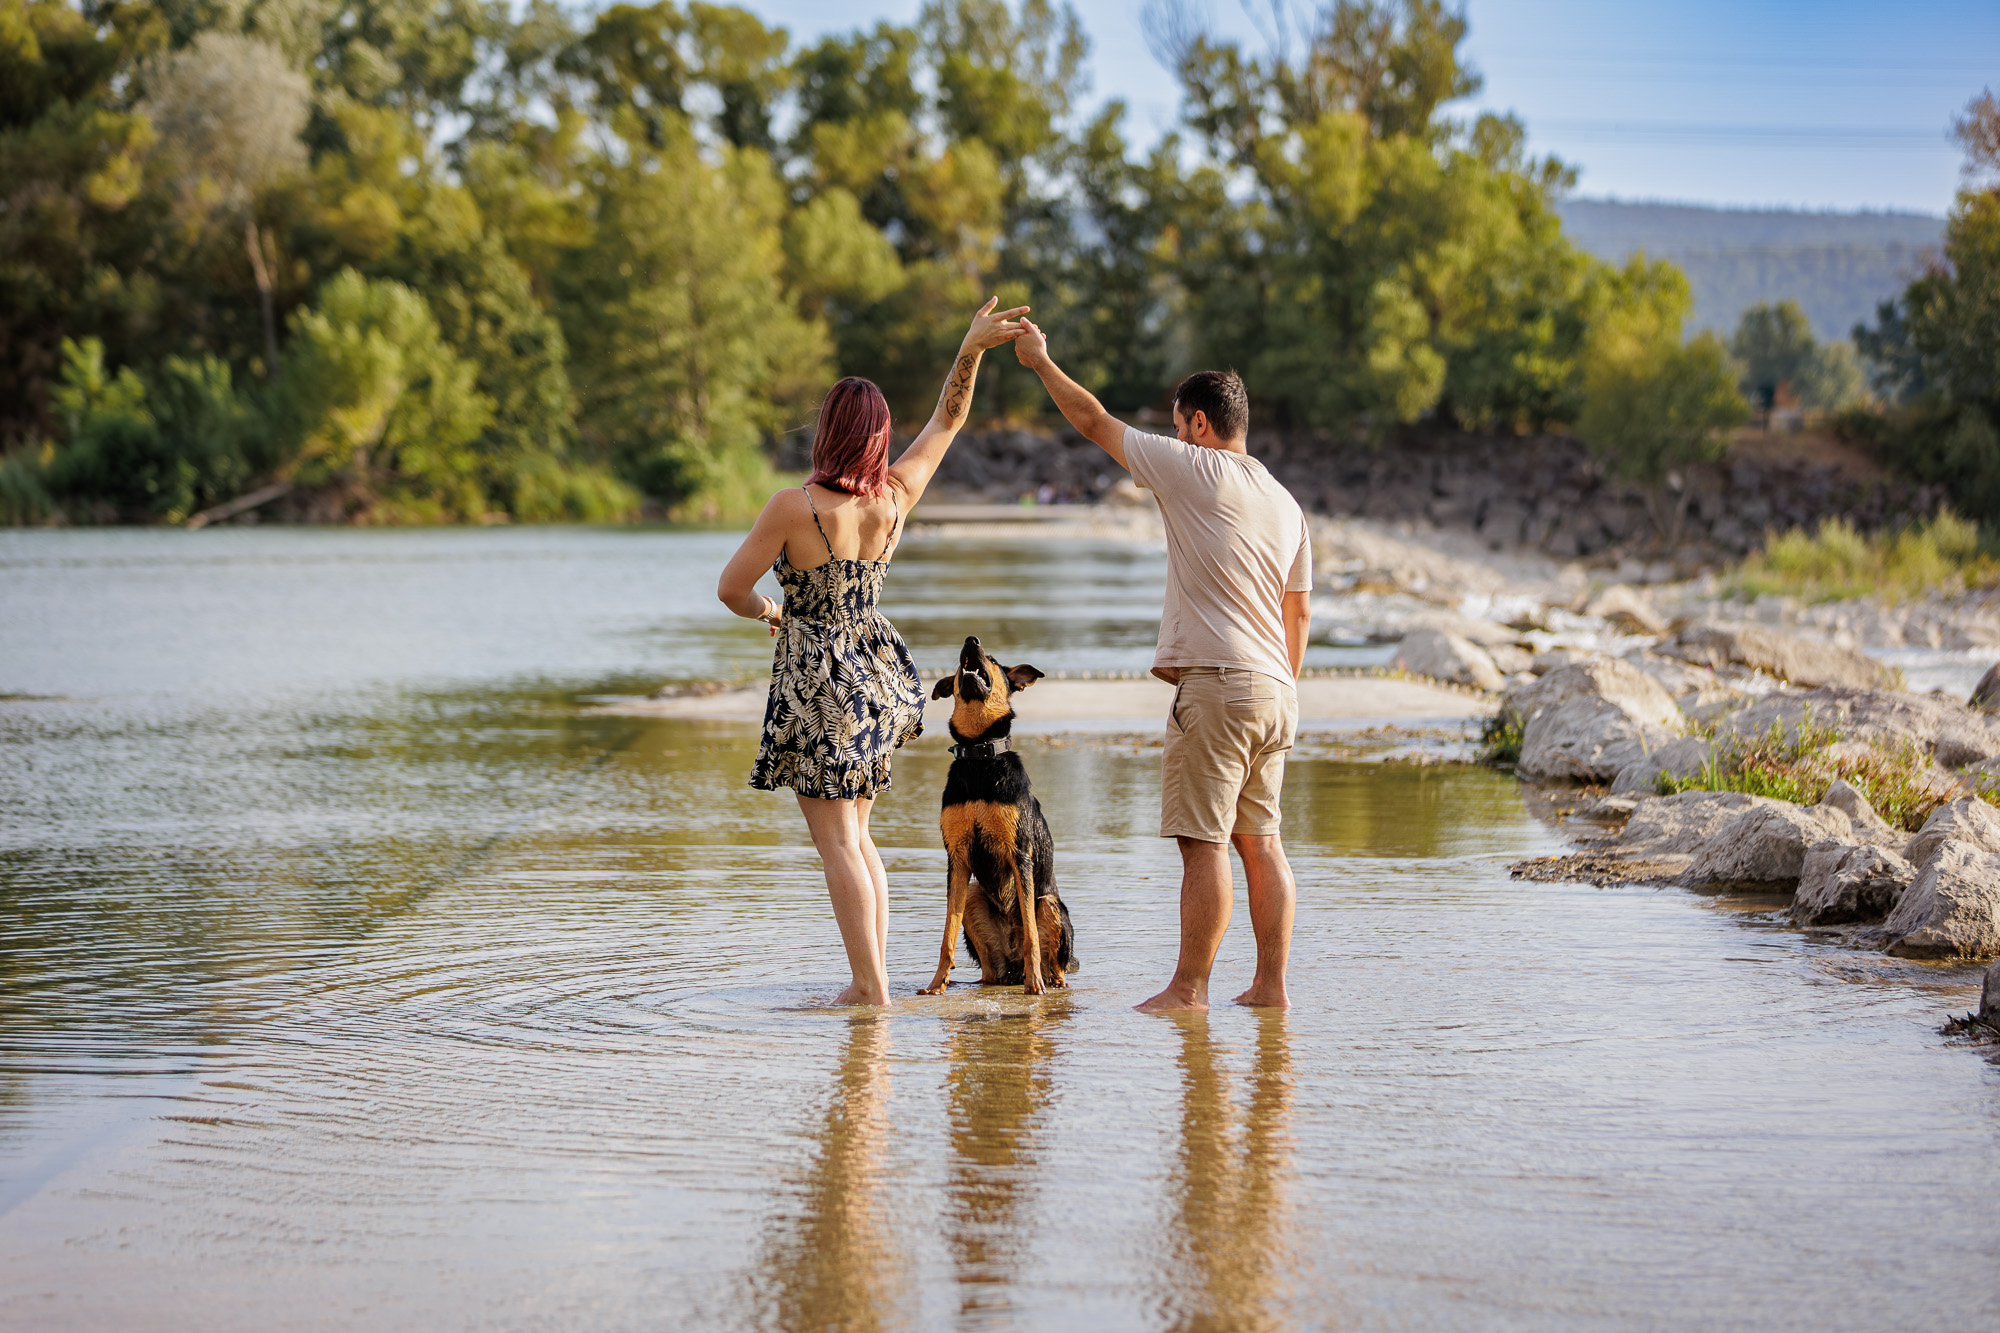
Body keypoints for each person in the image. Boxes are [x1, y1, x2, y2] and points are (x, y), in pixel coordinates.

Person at [717, 299, 1029, 1006]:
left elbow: (731, 589)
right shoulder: (894, 498)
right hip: (877, 681)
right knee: (859, 838)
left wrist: (773, 609)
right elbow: (948, 419)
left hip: (817, 686)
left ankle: (869, 987)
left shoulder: (792, 508)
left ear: (827, 432)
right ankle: (877, 980)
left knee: (837, 845)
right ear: (880, 439)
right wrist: (971, 347)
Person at [1013, 321, 1311, 1011]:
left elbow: (1092, 420)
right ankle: (1271, 988)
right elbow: (1297, 615)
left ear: (1199, 424)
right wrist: (1280, 685)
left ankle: (1189, 989)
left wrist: (1041, 363)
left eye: (1180, 426)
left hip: (1219, 684)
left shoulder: (1192, 464)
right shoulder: (1287, 503)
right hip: (1276, 688)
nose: (1176, 437)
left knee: (1203, 843)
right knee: (1262, 841)